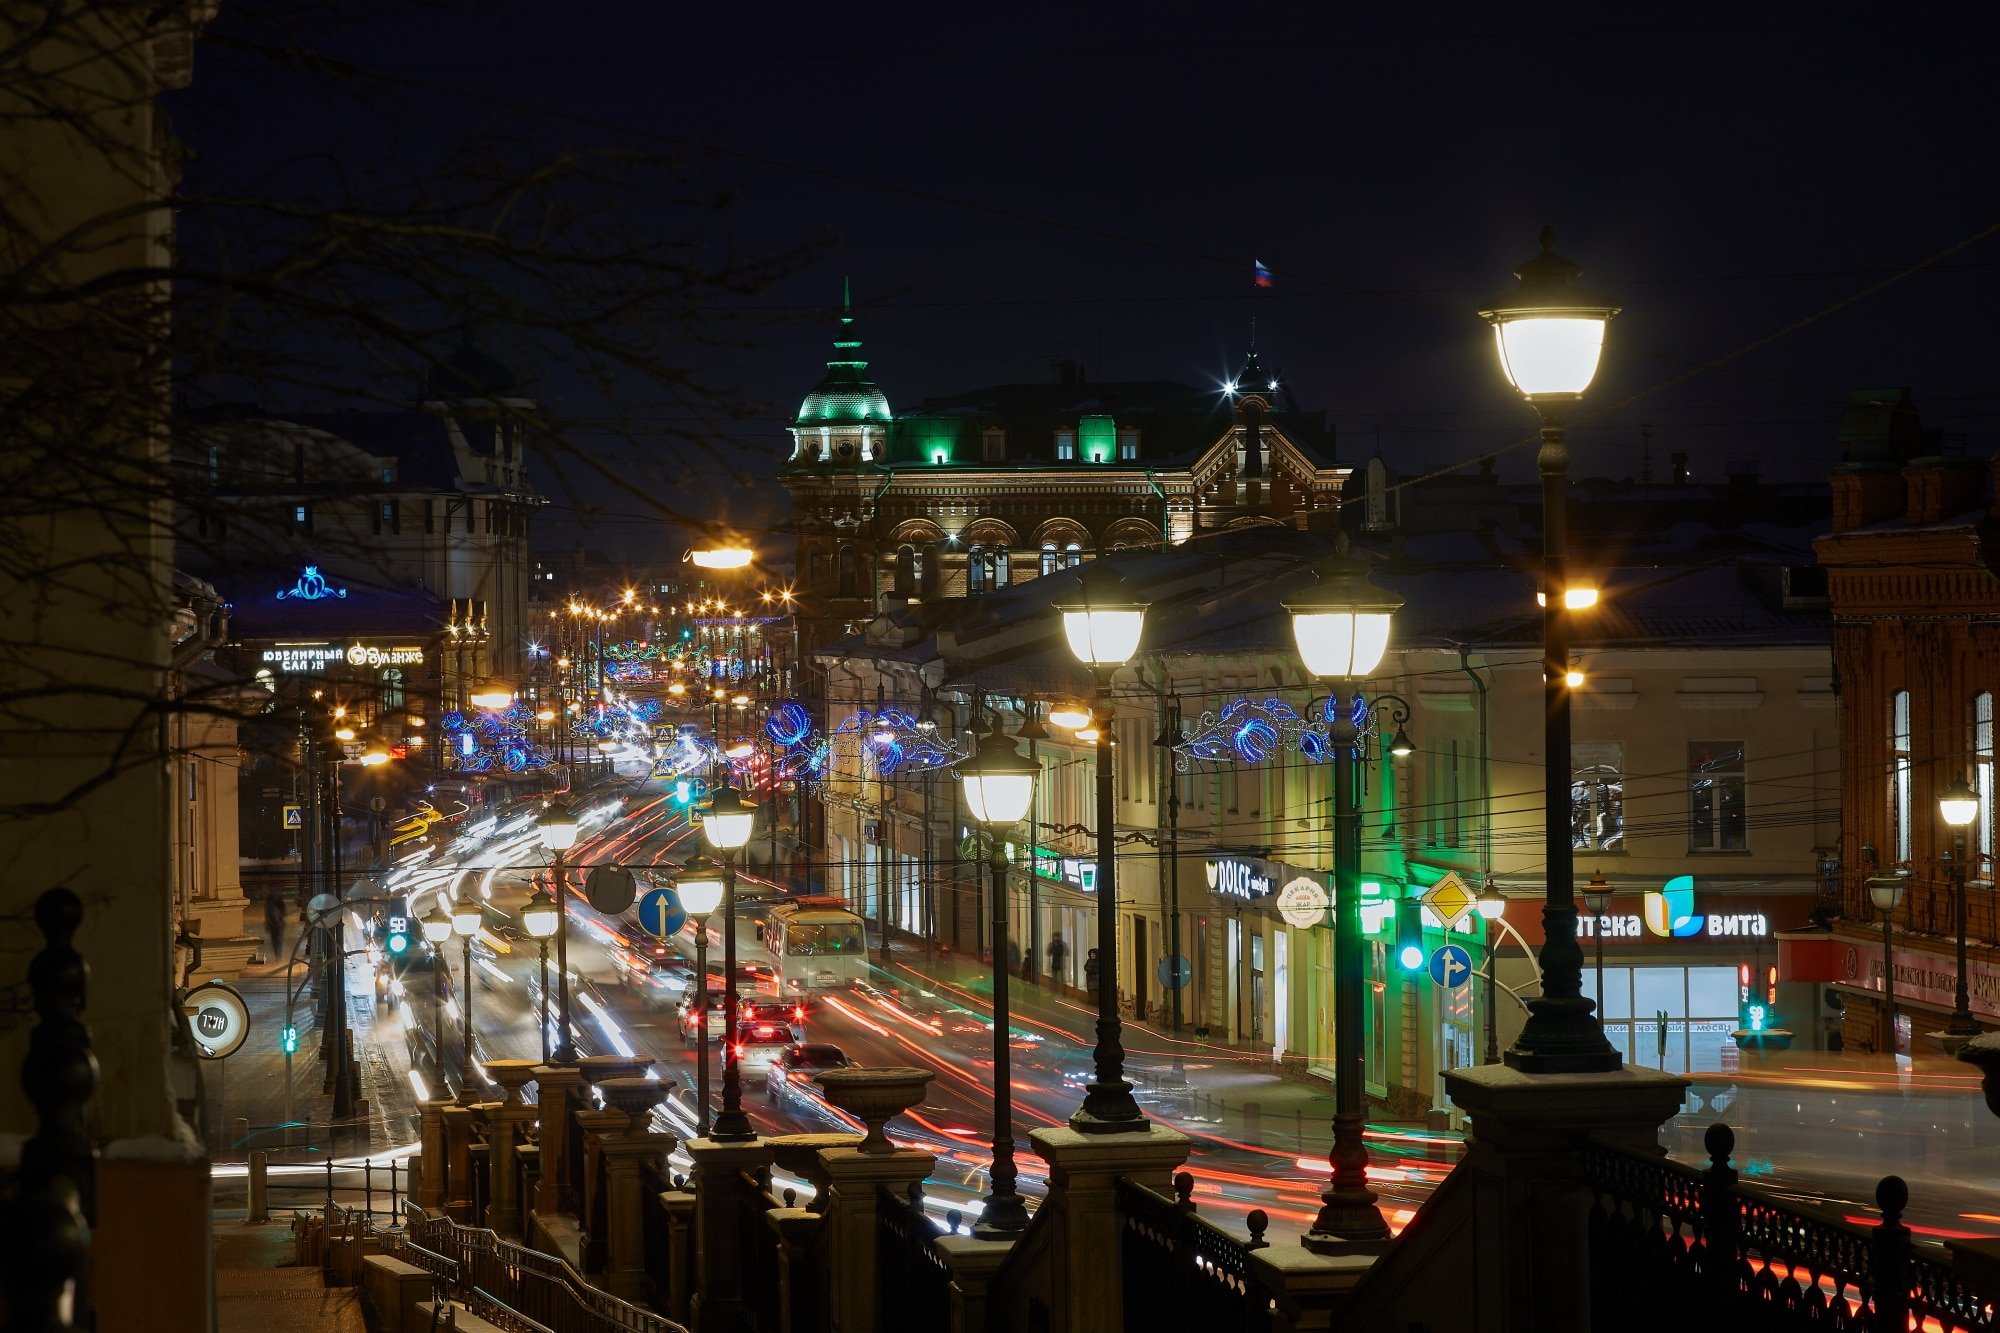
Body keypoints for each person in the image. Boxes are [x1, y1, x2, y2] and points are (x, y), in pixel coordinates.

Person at [264, 891, 286, 961]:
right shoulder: (270, 901)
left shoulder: (274, 901)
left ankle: (277, 954)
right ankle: (277, 954)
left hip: (275, 924)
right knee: (276, 940)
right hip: (274, 924)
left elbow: (283, 911)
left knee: (276, 940)